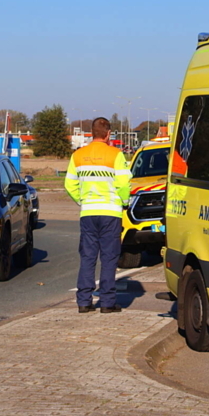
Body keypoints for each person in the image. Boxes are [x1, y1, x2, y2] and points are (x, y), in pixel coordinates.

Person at [64, 117, 131, 313]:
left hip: (88, 213)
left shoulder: (78, 155)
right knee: (109, 257)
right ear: (108, 133)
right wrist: (124, 203)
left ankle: (84, 301)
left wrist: (82, 200)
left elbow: (69, 184)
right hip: (110, 212)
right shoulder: (116, 155)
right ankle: (107, 303)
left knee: (88, 257)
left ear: (91, 133)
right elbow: (123, 185)